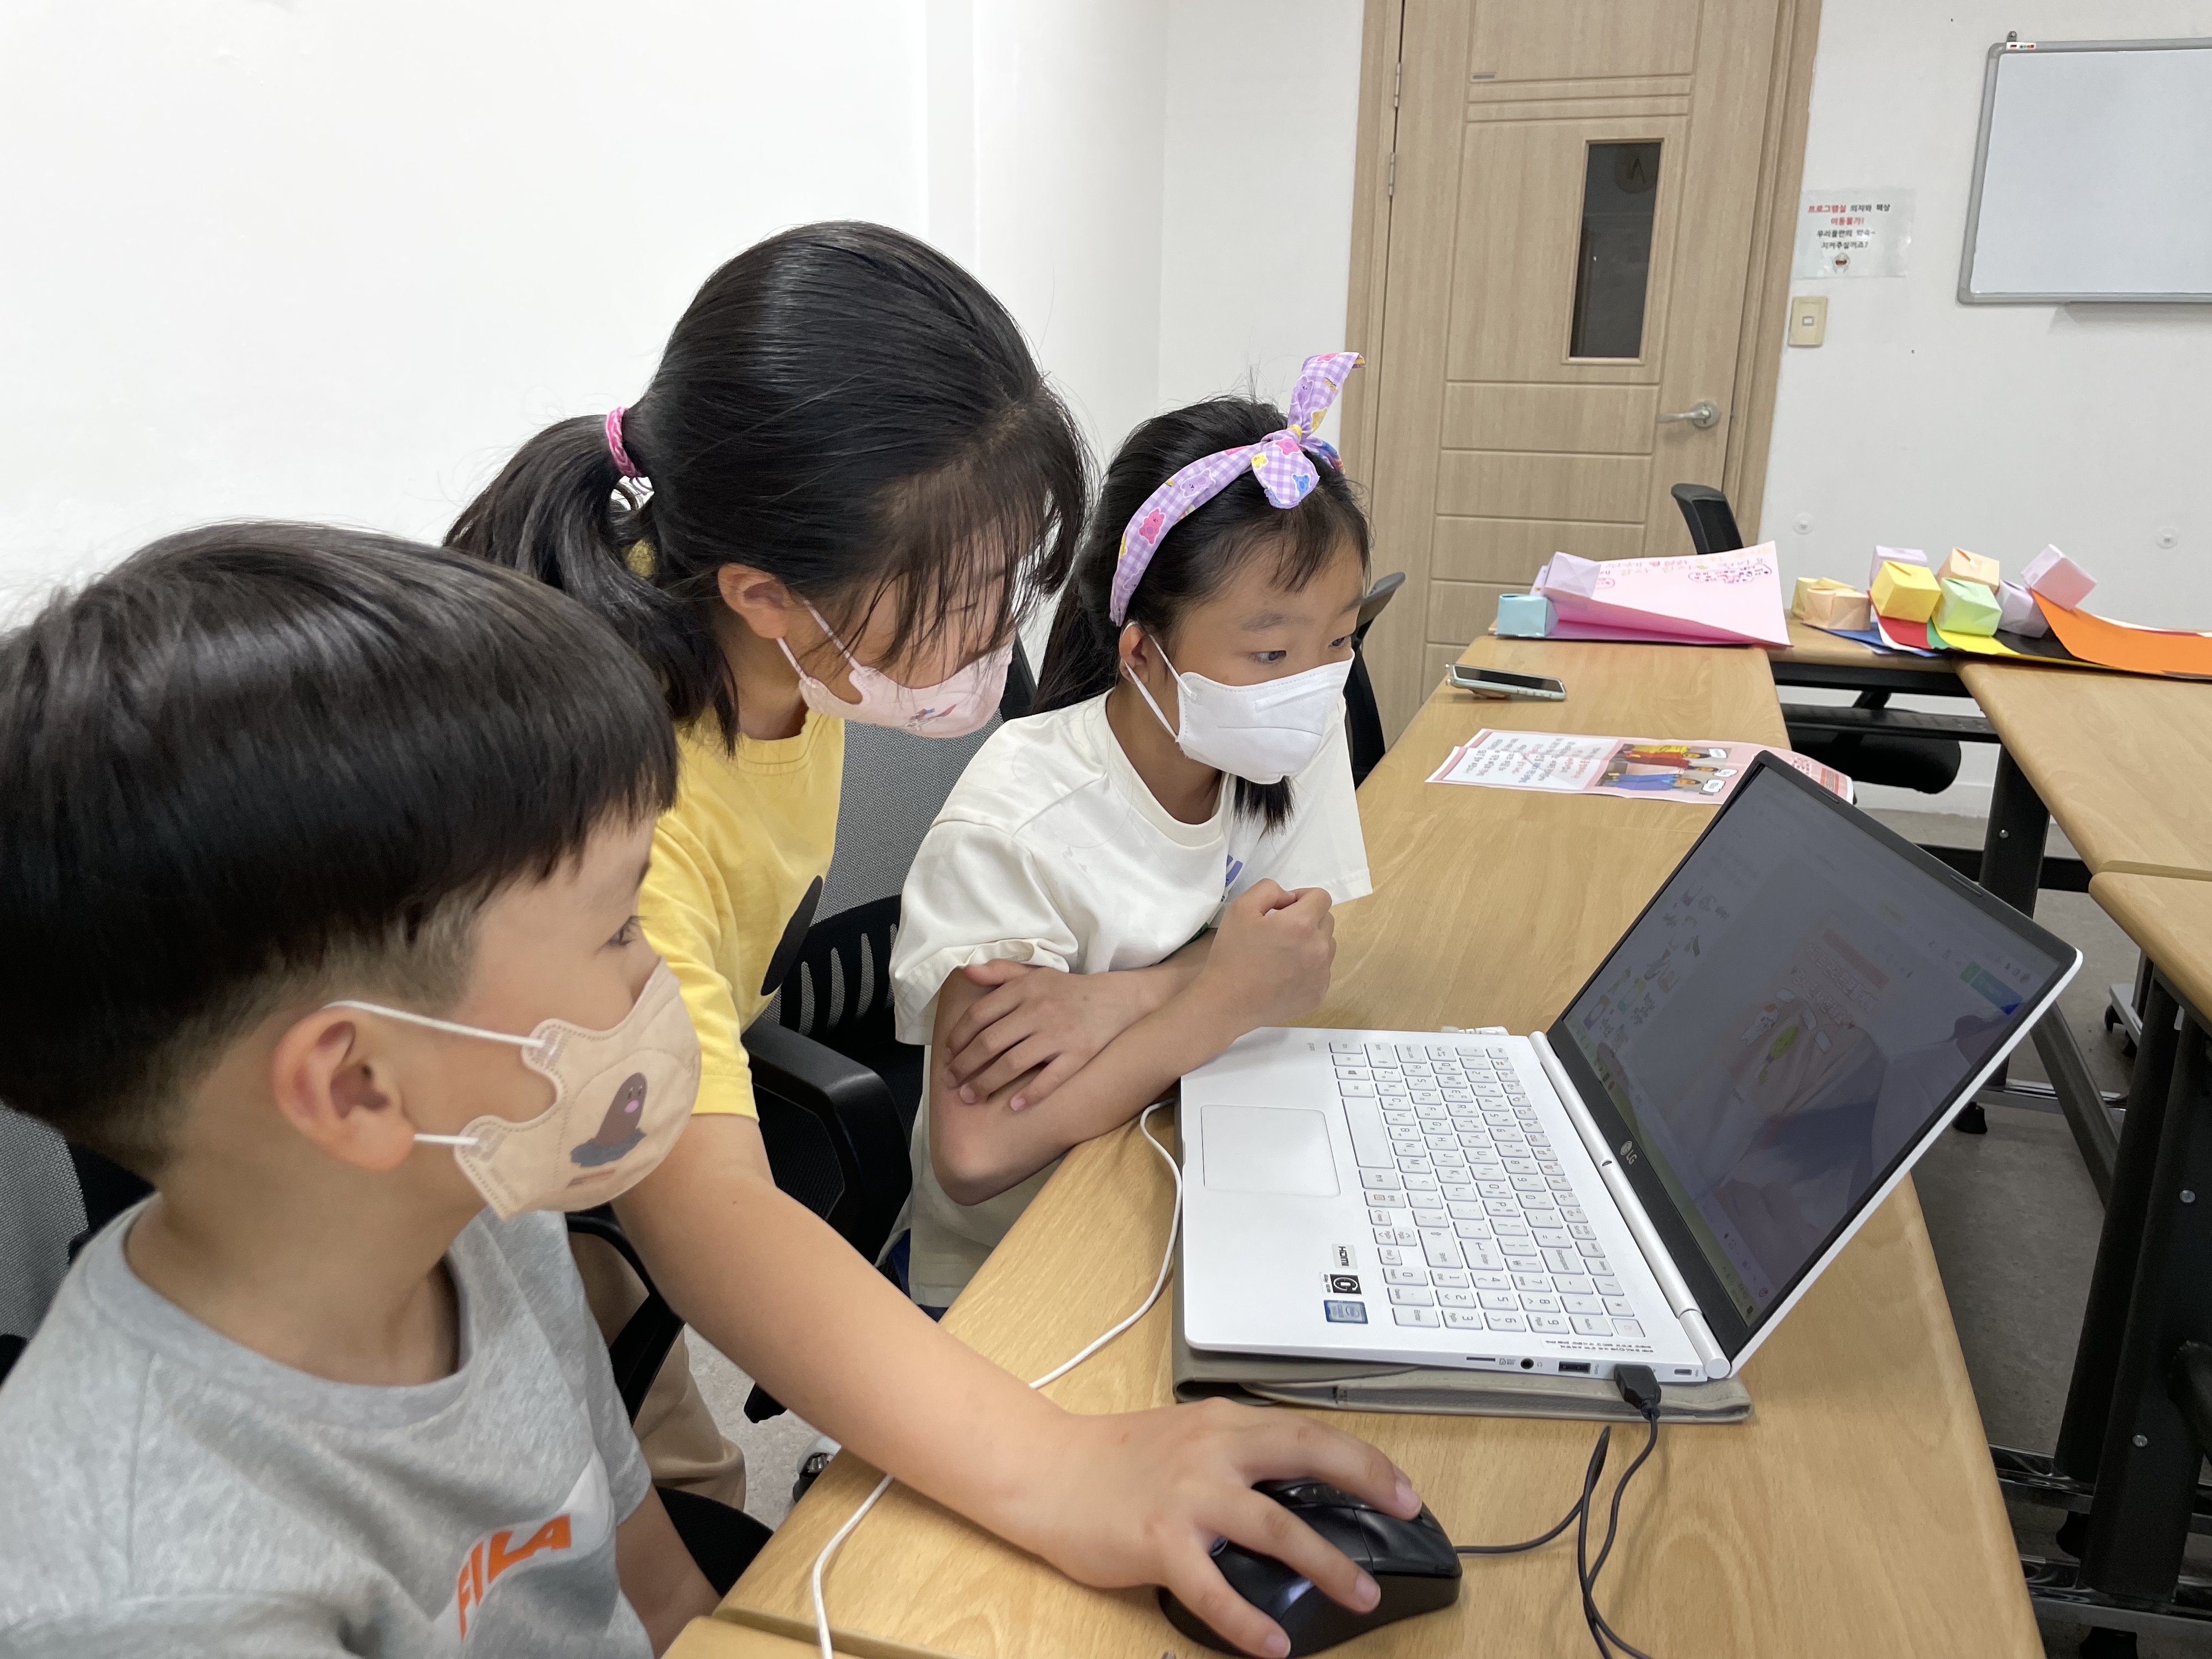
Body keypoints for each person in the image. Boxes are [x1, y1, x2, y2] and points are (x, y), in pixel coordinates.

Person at [455, 235, 1415, 1657]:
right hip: (495, 1226)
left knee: (681, 1521)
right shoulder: (619, 811)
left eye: (1011, 578)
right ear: (767, 597)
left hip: (589, 1186)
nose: (1001, 636)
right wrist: (1064, 1470)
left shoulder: (770, 643)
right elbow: (715, 1225)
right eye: (962, 599)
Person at [0, 526, 720, 1656]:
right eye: (621, 926)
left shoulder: (480, 1218)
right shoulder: (154, 1598)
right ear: (360, 1086)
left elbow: (662, 1606)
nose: (656, 971)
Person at [891, 356, 1374, 1307]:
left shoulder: (1292, 731)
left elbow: (1296, 951)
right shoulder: (1018, 825)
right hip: (1020, 1261)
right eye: (1270, 650)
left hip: (1186, 1172)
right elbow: (976, 1156)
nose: (1314, 685)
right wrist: (1212, 1003)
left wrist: (1125, 998)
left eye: (1340, 641)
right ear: (1144, 653)